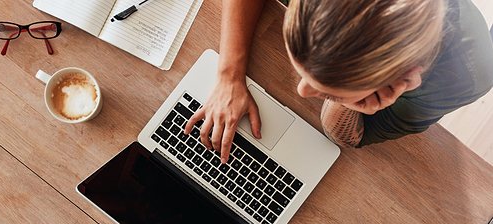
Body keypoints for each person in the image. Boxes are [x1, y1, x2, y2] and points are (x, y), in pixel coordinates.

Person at [184, 0, 493, 164]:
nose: (302, 91)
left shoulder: (463, 77)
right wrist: (228, 75)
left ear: (405, 80)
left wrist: (345, 104)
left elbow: (344, 136)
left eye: (327, 89)